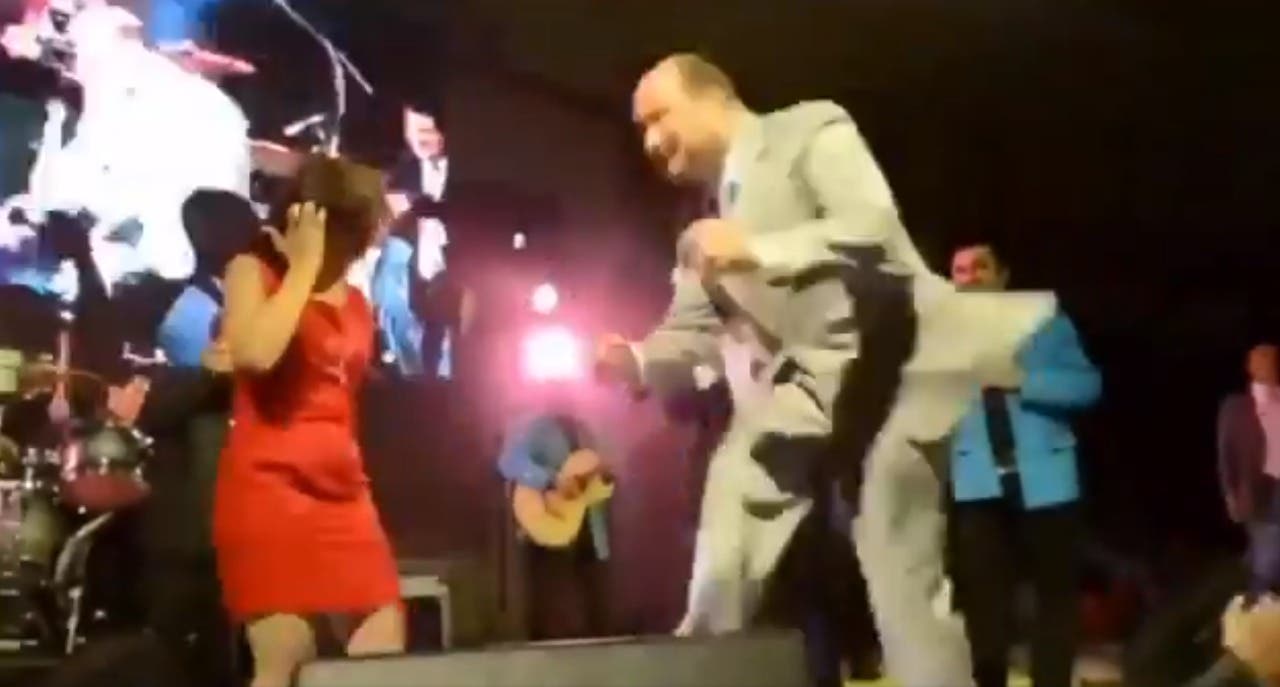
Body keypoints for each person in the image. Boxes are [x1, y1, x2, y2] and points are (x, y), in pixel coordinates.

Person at [597, 53, 1054, 687]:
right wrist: (639, 359)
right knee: (738, 489)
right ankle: (699, 663)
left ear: (711, 97)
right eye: (640, 128)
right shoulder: (700, 228)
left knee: (901, 581)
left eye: (658, 117)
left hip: (892, 371)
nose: (649, 141)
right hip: (807, 395)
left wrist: (758, 249)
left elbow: (874, 229)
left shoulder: (808, 130)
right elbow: (693, 331)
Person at [213, 155, 404, 687]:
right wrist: (301, 270)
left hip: (345, 499)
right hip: (271, 495)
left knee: (383, 652)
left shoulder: (357, 301)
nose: (358, 249)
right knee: (284, 657)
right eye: (351, 233)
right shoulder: (253, 273)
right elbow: (255, 354)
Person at [947, 243, 1102, 687]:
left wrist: (1022, 381)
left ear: (1002, 275)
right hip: (976, 482)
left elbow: (1087, 385)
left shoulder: (1044, 323)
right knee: (984, 604)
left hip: (1048, 481)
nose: (970, 277)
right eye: (960, 270)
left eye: (980, 267)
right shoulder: (938, 336)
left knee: (1054, 598)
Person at [497, 411, 612, 639]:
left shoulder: (586, 428)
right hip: (546, 536)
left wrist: (604, 481)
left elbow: (598, 484)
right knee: (551, 620)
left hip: (590, 534)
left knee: (595, 619)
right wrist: (550, 480)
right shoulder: (535, 426)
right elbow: (508, 463)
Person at [1218, 343, 1280, 600]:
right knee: (1268, 559)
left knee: (1269, 548)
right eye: (1261, 361)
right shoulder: (1236, 407)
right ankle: (1257, 603)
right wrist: (1230, 493)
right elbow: (1226, 453)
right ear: (1251, 368)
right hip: (1257, 491)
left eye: (1272, 360)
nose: (1267, 366)